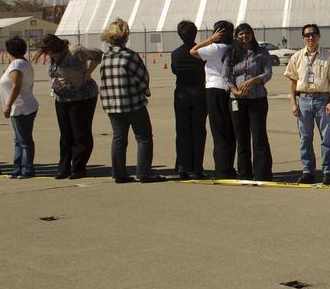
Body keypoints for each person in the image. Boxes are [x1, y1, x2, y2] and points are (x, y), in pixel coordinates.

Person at [98, 19, 162, 183]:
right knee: (143, 137)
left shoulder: (105, 57)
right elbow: (142, 77)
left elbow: (103, 80)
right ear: (125, 36)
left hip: (112, 105)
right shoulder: (130, 56)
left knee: (119, 138)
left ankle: (118, 173)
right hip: (133, 103)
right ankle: (144, 172)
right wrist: (145, 91)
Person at [38, 34, 100, 179]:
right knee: (65, 135)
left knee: (80, 133)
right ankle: (63, 167)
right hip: (62, 98)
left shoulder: (76, 50)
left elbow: (98, 54)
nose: (50, 55)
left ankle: (78, 167)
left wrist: (89, 73)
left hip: (82, 97)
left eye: (51, 52)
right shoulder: (54, 57)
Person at [285, 23, 330, 185]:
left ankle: (328, 170)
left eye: (313, 34)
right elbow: (293, 82)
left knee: (326, 138)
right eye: (307, 35)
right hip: (304, 101)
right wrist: (293, 103)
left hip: (322, 100)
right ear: (303, 38)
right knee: (305, 138)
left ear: (319, 36)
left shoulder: (327, 56)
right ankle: (308, 170)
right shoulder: (297, 57)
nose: (310, 37)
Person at [223, 23, 274, 181]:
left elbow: (268, 72)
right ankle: (244, 173)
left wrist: (254, 80)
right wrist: (235, 90)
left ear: (252, 34)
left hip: (257, 99)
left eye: (247, 33)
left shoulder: (261, 52)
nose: (244, 36)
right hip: (237, 101)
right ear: (236, 36)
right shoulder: (231, 52)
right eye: (241, 34)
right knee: (242, 138)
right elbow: (226, 76)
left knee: (259, 137)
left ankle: (262, 174)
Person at [190, 21, 237, 179]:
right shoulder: (233, 47)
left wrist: (211, 39)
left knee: (219, 131)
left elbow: (193, 51)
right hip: (230, 90)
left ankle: (222, 170)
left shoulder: (215, 48)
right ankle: (229, 167)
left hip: (215, 89)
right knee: (230, 131)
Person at [170, 20, 207, 180]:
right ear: (195, 32)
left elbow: (174, 70)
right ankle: (197, 167)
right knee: (199, 130)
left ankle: (182, 166)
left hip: (182, 92)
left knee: (182, 130)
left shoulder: (176, 53)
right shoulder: (201, 51)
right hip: (199, 90)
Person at [0, 36, 39, 179]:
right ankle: (17, 168)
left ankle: (27, 169)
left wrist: (8, 105)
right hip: (22, 106)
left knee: (24, 141)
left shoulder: (16, 65)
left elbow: (16, 86)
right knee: (19, 140)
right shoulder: (23, 63)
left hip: (21, 107)